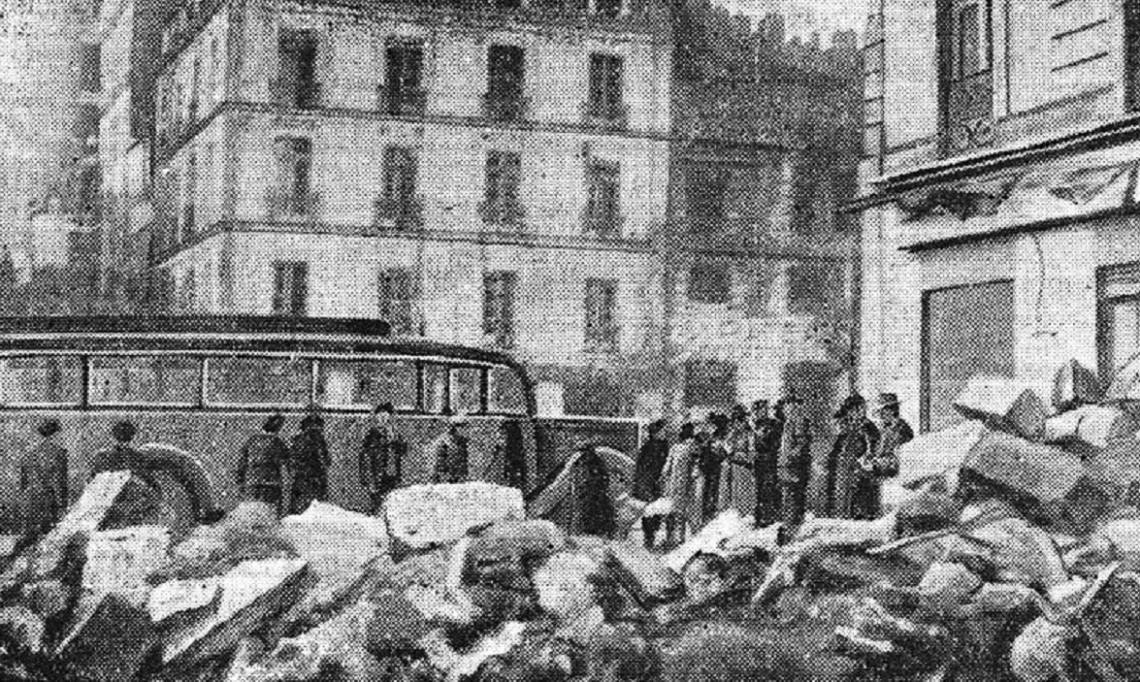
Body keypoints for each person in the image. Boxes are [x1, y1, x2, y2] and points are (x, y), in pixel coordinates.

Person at [90, 420, 162, 526]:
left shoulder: (102, 457)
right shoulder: (138, 458)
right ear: (133, 437)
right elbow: (152, 485)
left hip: (108, 509)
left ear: (113, 436)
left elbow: (91, 483)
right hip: (132, 511)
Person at [855, 392, 913, 519]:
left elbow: (899, 457)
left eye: (882, 411)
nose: (880, 415)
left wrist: (876, 464)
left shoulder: (902, 430)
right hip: (882, 465)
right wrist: (869, 458)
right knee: (856, 475)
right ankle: (864, 516)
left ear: (891, 410)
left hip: (895, 469)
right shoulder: (884, 429)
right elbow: (877, 451)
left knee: (865, 478)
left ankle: (870, 516)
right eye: (879, 412)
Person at [830, 395, 881, 520]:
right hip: (847, 467)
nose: (861, 412)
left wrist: (867, 457)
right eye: (856, 410)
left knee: (864, 492)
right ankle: (849, 517)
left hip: (863, 466)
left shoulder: (868, 426)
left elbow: (875, 445)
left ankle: (866, 517)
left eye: (862, 409)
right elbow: (838, 447)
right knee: (847, 494)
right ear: (850, 411)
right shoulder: (846, 426)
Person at [18, 419, 69, 542]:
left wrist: (24, 498)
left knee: (31, 535)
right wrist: (63, 504)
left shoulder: (29, 452)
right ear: (56, 434)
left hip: (31, 496)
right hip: (48, 497)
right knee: (49, 536)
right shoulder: (59, 452)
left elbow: (23, 481)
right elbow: (60, 481)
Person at [236, 414, 290, 516]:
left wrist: (240, 482)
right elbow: (287, 465)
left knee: (253, 514)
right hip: (271, 486)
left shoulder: (252, 440)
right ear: (278, 427)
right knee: (270, 516)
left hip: (251, 485)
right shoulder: (277, 442)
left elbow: (241, 464)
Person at [359, 403, 407, 514]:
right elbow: (365, 458)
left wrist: (394, 439)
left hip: (392, 474)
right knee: (377, 506)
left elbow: (403, 451)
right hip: (377, 475)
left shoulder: (394, 434)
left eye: (386, 417)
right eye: (380, 417)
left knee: (391, 506)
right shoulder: (372, 436)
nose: (383, 420)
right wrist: (367, 479)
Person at [776, 394, 812, 534]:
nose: (786, 408)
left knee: (794, 497)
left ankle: (791, 528)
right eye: (785, 405)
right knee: (789, 497)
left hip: (795, 468)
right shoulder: (788, 422)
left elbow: (802, 443)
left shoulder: (799, 421)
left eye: (789, 405)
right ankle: (790, 526)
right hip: (787, 468)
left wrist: (791, 456)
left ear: (795, 406)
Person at [632, 419, 670, 549]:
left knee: (657, 513)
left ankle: (650, 539)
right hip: (649, 484)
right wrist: (645, 487)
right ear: (655, 433)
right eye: (662, 431)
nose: (665, 433)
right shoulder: (649, 448)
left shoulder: (663, 446)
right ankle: (649, 540)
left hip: (657, 484)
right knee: (650, 513)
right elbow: (642, 470)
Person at [659, 423, 698, 546]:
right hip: (677, 483)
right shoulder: (678, 447)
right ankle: (673, 538)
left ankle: (677, 538)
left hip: (680, 484)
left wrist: (663, 476)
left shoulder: (680, 447)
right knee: (676, 512)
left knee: (678, 512)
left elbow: (667, 467)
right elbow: (667, 466)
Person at [566, 442, 616, 538]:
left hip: (596, 495)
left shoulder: (595, 464)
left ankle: (598, 533)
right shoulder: (586, 464)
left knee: (596, 513)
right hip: (591, 495)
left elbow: (601, 479)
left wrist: (590, 485)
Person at [289, 411, 331, 514]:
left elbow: (292, 461)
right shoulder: (318, 439)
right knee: (316, 512)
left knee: (299, 513)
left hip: (300, 480)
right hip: (314, 481)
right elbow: (325, 461)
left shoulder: (297, 440)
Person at [718, 405, 756, 518]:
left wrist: (747, 459)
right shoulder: (733, 434)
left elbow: (751, 450)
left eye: (739, 422)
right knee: (736, 489)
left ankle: (747, 513)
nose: (737, 425)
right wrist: (729, 452)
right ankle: (738, 512)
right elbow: (726, 445)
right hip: (735, 464)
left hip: (745, 465)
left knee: (746, 489)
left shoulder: (749, 434)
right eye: (735, 423)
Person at [751, 400, 783, 528]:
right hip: (759, 462)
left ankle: (770, 517)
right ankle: (761, 518)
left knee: (769, 488)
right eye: (758, 410)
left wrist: (763, 439)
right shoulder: (755, 425)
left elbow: (774, 443)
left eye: (763, 409)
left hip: (770, 461)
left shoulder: (774, 424)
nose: (760, 412)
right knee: (760, 490)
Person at [698, 414, 730, 524]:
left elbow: (724, 452)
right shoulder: (713, 436)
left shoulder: (722, 436)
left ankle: (711, 513)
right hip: (709, 467)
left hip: (716, 466)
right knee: (709, 490)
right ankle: (708, 513)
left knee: (714, 490)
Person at [432, 414, 470, 484]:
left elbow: (464, 462)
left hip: (458, 478)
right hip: (444, 479)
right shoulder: (443, 442)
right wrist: (445, 478)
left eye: (466, 426)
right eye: (463, 426)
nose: (466, 429)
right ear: (455, 427)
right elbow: (439, 463)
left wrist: (463, 477)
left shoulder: (462, 442)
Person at [495, 419, 527, 491]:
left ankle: (514, 479)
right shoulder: (510, 428)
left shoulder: (511, 429)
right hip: (514, 455)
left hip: (514, 456)